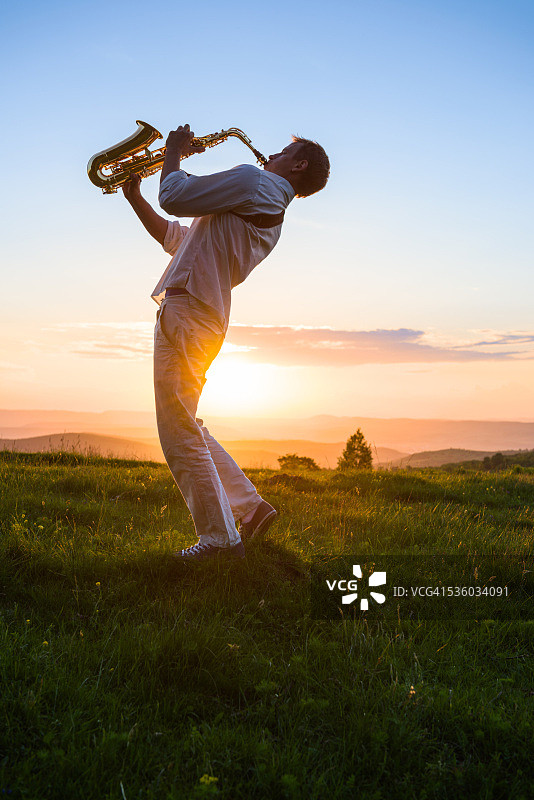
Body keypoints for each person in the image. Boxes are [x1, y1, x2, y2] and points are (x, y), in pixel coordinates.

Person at [123, 124, 330, 561]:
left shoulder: (258, 182)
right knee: (189, 422)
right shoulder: (267, 208)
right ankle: (250, 510)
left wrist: (174, 151)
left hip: (190, 311)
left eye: (278, 151)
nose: (265, 155)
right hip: (203, 315)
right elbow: (176, 240)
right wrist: (135, 198)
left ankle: (219, 541)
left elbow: (174, 195)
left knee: (177, 431)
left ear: (299, 163)